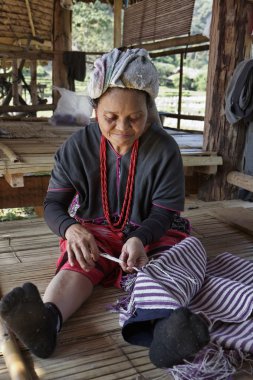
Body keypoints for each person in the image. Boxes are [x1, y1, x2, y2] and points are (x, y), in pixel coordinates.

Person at [0, 48, 210, 367]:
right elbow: (54, 205)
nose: (122, 128)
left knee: (170, 259)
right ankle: (49, 321)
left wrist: (140, 238)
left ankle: (163, 330)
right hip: (96, 229)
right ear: (94, 109)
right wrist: (71, 228)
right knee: (79, 260)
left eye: (134, 118)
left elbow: (164, 213)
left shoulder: (165, 149)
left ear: (149, 110)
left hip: (153, 233)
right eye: (110, 117)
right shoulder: (74, 149)